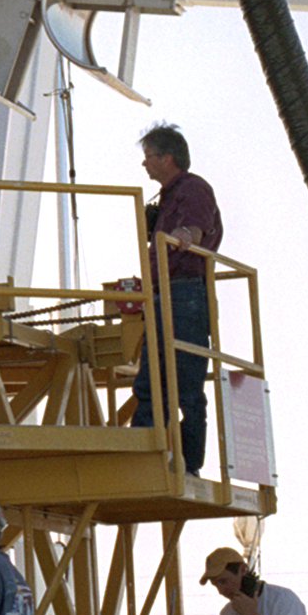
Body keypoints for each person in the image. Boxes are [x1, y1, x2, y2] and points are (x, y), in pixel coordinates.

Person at [132, 124, 221, 472]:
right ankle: (148, 456)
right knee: (151, 381)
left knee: (184, 384)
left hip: (183, 294)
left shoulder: (193, 189)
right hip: (166, 293)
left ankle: (185, 462)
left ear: (167, 158)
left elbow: (195, 229)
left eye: (149, 157)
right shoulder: (170, 195)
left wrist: (184, 234)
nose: (145, 164)